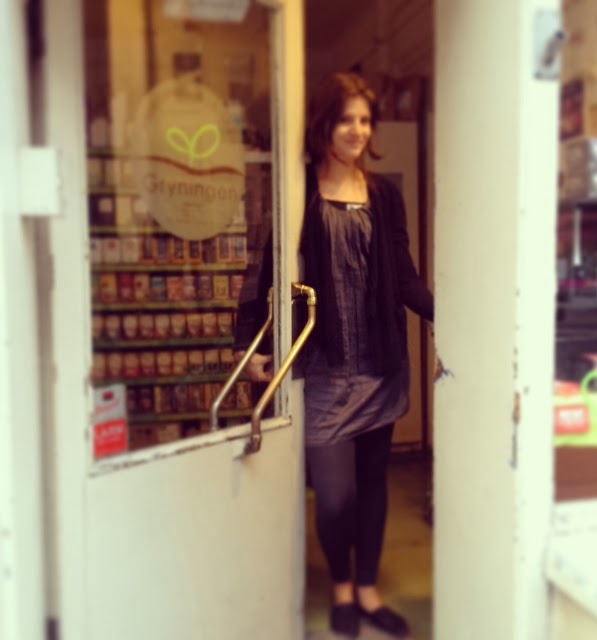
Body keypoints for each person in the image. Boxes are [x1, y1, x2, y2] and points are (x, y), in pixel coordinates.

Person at [235, 71, 434, 639]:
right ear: (325, 123)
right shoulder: (297, 190)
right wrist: (248, 345)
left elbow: (405, 279)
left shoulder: (385, 196)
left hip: (380, 366)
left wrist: (457, 318)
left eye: (365, 120)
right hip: (323, 370)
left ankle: (365, 590)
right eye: (347, 119)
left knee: (373, 486)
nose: (358, 130)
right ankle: (341, 584)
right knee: (335, 496)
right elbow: (265, 272)